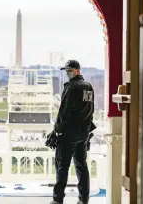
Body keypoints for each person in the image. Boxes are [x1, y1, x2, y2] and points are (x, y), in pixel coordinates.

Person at [47, 60, 96, 204]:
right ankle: (84, 199)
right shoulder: (88, 86)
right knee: (81, 166)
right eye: (66, 70)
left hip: (69, 134)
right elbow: (90, 110)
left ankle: (57, 200)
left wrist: (56, 131)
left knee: (62, 166)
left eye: (70, 70)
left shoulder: (72, 87)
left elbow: (64, 112)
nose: (67, 73)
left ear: (77, 71)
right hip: (83, 133)